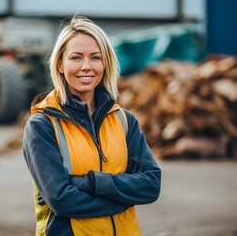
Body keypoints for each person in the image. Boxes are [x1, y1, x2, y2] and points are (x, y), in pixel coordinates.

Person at [23, 16, 161, 236]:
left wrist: (94, 183)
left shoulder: (125, 122)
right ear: (60, 64)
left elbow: (151, 185)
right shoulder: (42, 126)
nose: (86, 67)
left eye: (95, 58)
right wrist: (121, 200)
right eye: (76, 58)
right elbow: (62, 201)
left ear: (105, 64)